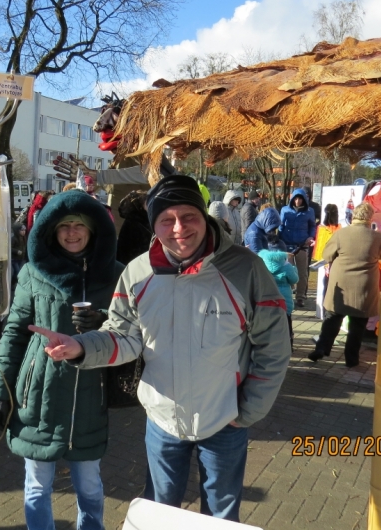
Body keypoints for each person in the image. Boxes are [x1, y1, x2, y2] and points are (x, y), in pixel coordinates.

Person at [27, 175, 291, 522]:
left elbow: (273, 347)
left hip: (225, 420)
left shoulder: (245, 269)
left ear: (204, 217)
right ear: (155, 225)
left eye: (188, 216)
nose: (179, 228)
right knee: (159, 515)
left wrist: (249, 410)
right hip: (162, 421)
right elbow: (124, 336)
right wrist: (79, 347)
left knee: (221, 518)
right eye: (167, 219)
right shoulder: (138, 272)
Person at [0, 190, 123, 530]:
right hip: (38, 395)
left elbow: (133, 329)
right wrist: (0, 392)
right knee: (37, 486)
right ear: (51, 230)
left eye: (79, 225)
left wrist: (104, 320)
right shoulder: (33, 273)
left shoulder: (116, 275)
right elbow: (14, 334)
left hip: (89, 396)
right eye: (64, 225)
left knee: (90, 485)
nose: (72, 232)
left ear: (93, 230)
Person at [307, 203, 381, 367]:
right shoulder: (378, 237)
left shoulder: (341, 234)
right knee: (358, 325)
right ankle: (352, 359)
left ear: (354, 215)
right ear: (370, 218)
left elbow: (327, 255)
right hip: (365, 286)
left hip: (341, 283)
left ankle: (322, 348)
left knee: (332, 319)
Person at [279, 188, 316, 307]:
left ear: (304, 199)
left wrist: (311, 237)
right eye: (296, 199)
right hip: (287, 245)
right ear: (292, 199)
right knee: (288, 271)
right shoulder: (285, 210)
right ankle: (288, 295)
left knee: (302, 273)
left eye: (300, 199)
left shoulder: (309, 211)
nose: (298, 201)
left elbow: (312, 226)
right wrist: (278, 241)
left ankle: (300, 297)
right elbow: (280, 226)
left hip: (302, 246)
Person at [258, 245, 298, 348]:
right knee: (286, 322)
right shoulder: (287, 266)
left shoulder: (260, 264)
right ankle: (289, 345)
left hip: (267, 297)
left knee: (268, 323)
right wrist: (294, 268)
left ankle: (268, 345)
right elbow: (294, 280)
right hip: (284, 298)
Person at [117, 189, 151, 265]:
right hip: (134, 264)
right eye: (147, 203)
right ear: (140, 205)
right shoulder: (135, 221)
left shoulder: (143, 220)